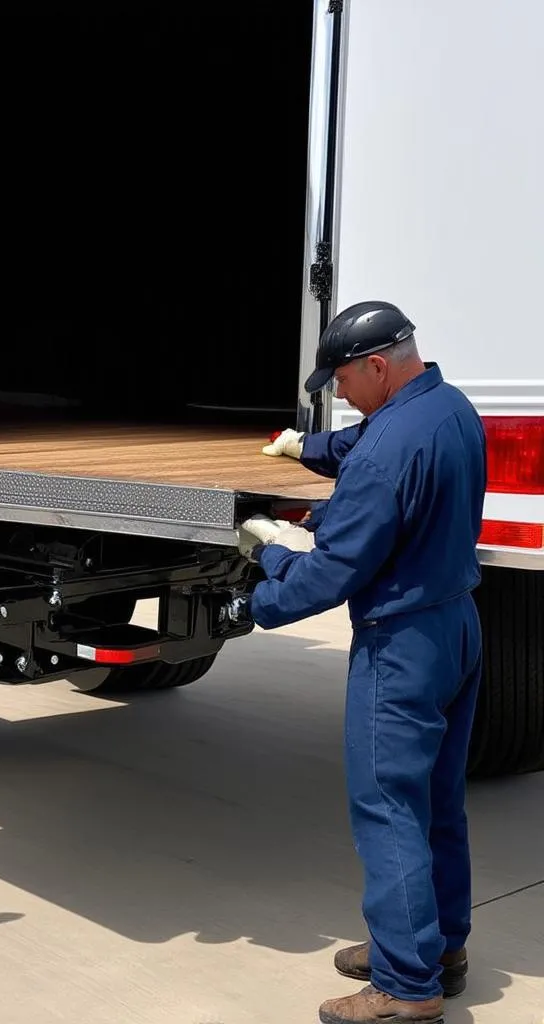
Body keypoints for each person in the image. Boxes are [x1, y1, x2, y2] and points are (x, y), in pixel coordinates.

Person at [229, 300, 486, 1024]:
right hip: (458, 625)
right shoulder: (448, 409)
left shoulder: (385, 452)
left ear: (377, 365)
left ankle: (406, 987)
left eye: (341, 379)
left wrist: (265, 566)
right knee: (435, 801)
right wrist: (298, 447)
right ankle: (440, 948)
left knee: (388, 808)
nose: (338, 395)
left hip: (402, 645)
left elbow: (330, 572)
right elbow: (361, 449)